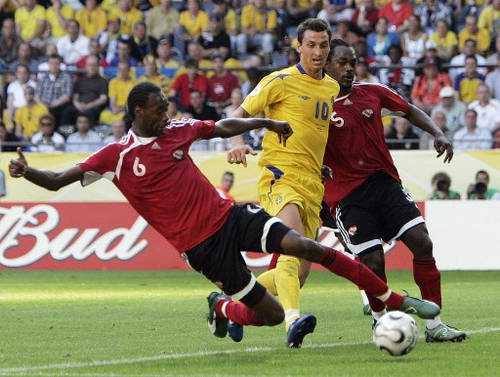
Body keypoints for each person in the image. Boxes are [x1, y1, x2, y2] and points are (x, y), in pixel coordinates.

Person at [9, 81, 440, 348]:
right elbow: (58, 180)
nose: (168, 113)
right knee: (269, 315)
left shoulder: (178, 130)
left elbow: (220, 127)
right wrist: (28, 172)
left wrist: (265, 125)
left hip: (231, 216)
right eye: (160, 108)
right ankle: (223, 308)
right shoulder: (115, 156)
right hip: (201, 247)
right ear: (138, 111)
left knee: (305, 246)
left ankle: (392, 300)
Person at [322, 39, 466, 343]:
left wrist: (438, 133)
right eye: (342, 63)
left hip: (385, 185)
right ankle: (379, 322)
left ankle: (435, 325)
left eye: (353, 62)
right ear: (326, 64)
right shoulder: (314, 106)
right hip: (348, 197)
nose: (349, 69)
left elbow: (410, 110)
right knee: (372, 262)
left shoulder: (372, 92)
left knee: (422, 243)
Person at [227, 18, 342, 347]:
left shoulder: (331, 88)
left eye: (323, 45)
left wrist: (321, 166)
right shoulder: (279, 81)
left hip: (311, 185)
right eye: (311, 45)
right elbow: (239, 112)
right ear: (298, 46)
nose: (317, 52)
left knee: (298, 274)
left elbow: (315, 134)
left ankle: (230, 305)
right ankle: (293, 321)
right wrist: (237, 144)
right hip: (280, 176)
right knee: (290, 247)